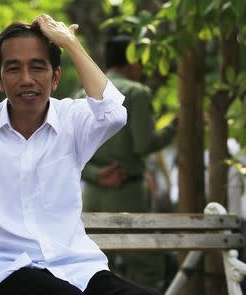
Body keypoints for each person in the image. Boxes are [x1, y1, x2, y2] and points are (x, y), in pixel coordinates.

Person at [0, 14, 158, 295]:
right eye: (13, 69)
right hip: (11, 271)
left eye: (38, 68)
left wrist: (70, 44)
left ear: (56, 78)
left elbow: (113, 114)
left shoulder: (71, 119)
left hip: (81, 268)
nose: (26, 79)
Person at [78, 35, 177, 291]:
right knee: (146, 265)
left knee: (94, 269)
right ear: (133, 64)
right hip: (128, 194)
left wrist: (97, 174)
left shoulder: (81, 93)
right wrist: (174, 128)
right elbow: (143, 145)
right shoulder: (136, 92)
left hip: (90, 195)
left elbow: (70, 151)